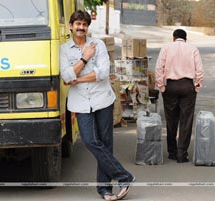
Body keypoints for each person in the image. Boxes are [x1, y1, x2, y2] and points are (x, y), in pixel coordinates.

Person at [60, 10, 135, 201]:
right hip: (81, 104)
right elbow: (66, 77)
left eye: (84, 24)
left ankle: (105, 190)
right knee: (90, 141)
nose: (81, 27)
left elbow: (102, 73)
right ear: (71, 26)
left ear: (87, 27)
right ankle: (124, 176)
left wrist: (77, 78)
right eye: (77, 24)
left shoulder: (98, 45)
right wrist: (84, 58)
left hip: (103, 99)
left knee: (106, 143)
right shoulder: (64, 49)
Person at [155, 29, 204, 163]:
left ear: (173, 38)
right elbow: (199, 70)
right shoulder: (193, 49)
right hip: (187, 87)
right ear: (185, 39)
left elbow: (159, 68)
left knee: (171, 120)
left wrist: (161, 86)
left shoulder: (166, 48)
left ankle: (172, 152)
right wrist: (197, 85)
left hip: (170, 86)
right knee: (186, 121)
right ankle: (182, 154)